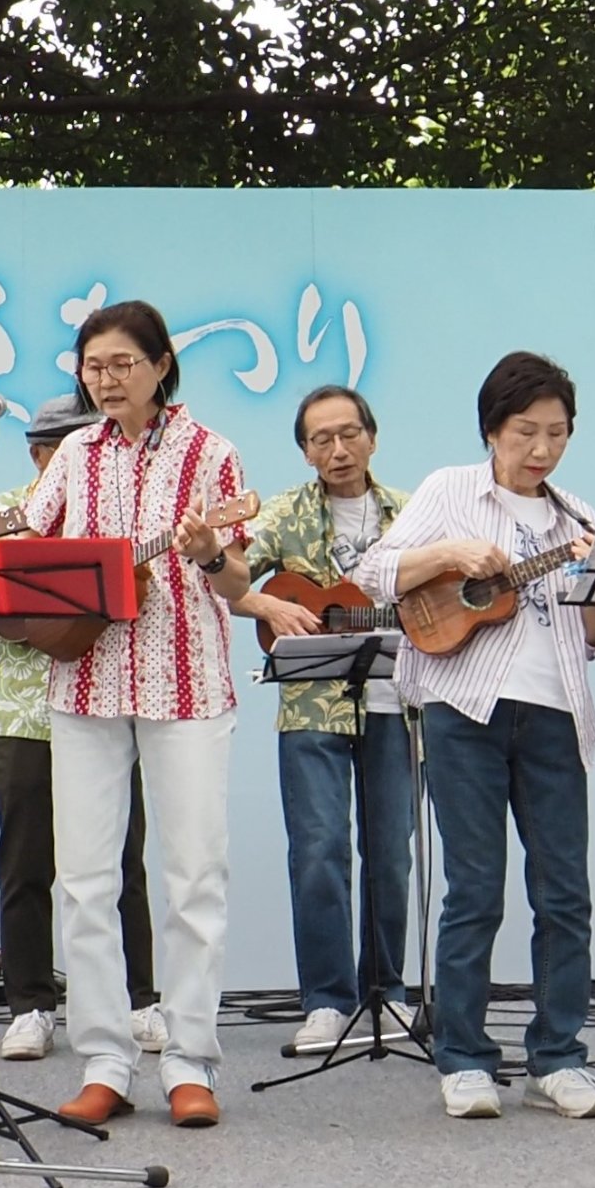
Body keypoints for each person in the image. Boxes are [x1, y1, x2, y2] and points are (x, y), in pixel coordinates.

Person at [14, 298, 261, 1132]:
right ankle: (106, 1060)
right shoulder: (74, 457)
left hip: (186, 684)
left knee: (192, 875)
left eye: (124, 363)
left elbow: (235, 585)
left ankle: (189, 1059)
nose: (108, 378)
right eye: (94, 365)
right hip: (85, 681)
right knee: (85, 880)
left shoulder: (212, 454)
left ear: (161, 366)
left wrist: (208, 552)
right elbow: (32, 561)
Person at [353, 353, 595, 1120]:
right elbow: (377, 572)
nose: (541, 449)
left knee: (565, 893)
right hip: (465, 708)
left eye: (557, 433)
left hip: (556, 714)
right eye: (526, 432)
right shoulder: (449, 490)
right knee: (475, 888)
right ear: (493, 430)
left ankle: (558, 1055)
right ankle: (464, 1055)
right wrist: (450, 554)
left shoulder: (579, 519)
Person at [0, 395, 158, 1065]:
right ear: (38, 454)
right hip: (24, 712)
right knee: (26, 862)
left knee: (123, 859)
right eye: (67, 447)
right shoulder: (4, 516)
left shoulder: (122, 512)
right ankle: (30, 1004)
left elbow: (141, 600)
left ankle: (139, 998)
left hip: (110, 703)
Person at [249, 384, 417, 1056]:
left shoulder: (412, 514)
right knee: (318, 852)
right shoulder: (285, 515)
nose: (339, 449)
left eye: (349, 434)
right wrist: (268, 608)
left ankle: (388, 992)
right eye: (322, 439)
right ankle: (326, 999)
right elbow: (223, 578)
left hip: (394, 703)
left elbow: (438, 597)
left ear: (372, 438)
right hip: (311, 703)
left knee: (392, 855)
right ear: (304, 451)